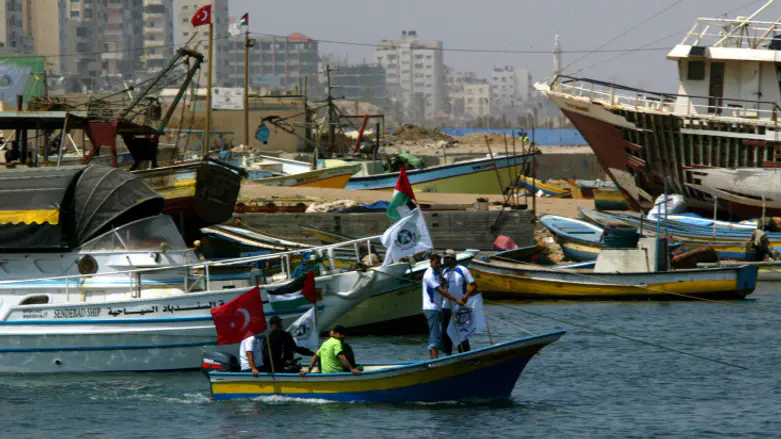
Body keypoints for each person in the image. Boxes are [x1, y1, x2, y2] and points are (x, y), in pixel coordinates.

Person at [422, 253, 466, 359]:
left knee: (443, 333)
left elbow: (441, 285)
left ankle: (445, 355)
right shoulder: (429, 275)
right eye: (436, 263)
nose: (438, 265)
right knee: (435, 335)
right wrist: (456, 300)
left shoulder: (436, 273)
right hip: (431, 308)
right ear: (431, 261)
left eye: (439, 263)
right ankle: (434, 362)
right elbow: (441, 291)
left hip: (437, 308)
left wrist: (443, 280)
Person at [441, 249, 478, 356]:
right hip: (446, 307)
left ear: (451, 259)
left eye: (445, 258)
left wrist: (466, 296)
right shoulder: (444, 271)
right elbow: (443, 288)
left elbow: (474, 286)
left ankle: (465, 356)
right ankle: (448, 356)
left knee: (461, 333)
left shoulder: (462, 270)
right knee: (446, 333)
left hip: (459, 307)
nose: (443, 260)